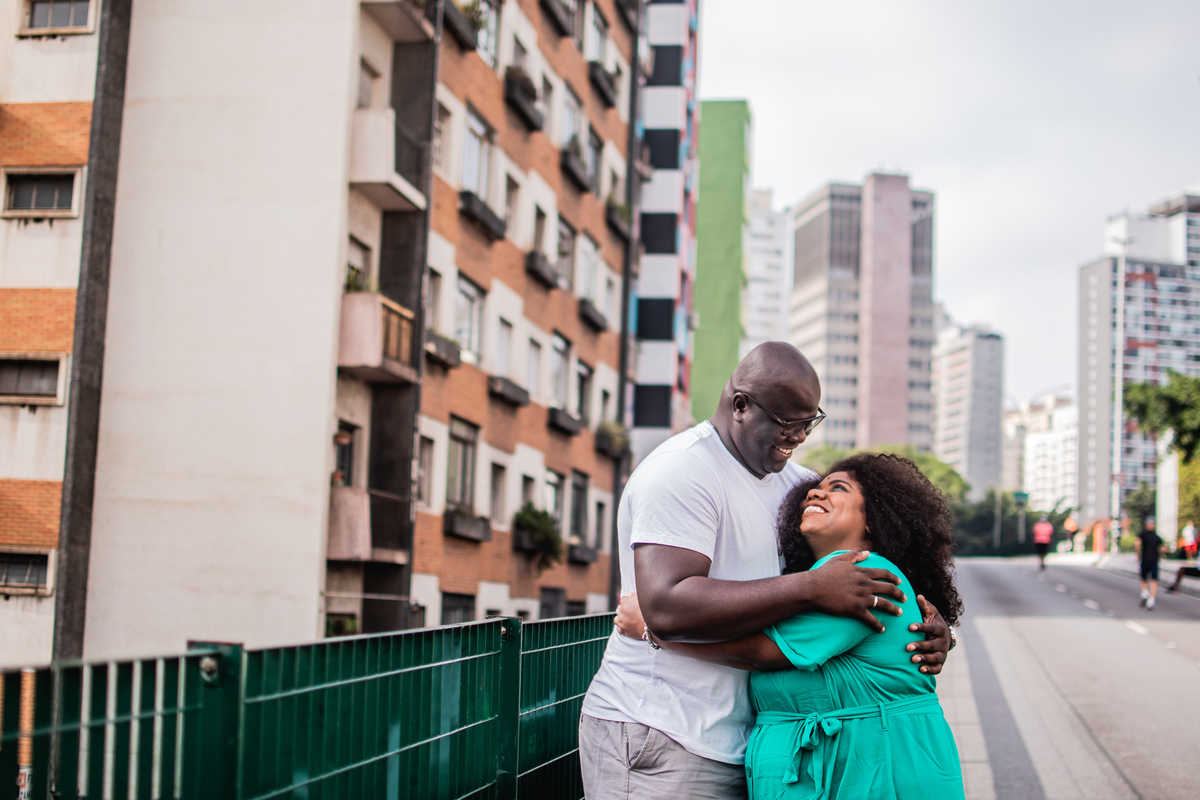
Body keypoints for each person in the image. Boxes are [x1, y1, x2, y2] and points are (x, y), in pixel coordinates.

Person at [578, 342, 953, 799]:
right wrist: (811, 586)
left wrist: (930, 632)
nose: (799, 437)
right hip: (664, 730)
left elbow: (877, 561)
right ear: (741, 405)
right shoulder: (682, 471)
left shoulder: (799, 486)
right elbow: (667, 608)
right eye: (787, 422)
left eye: (809, 422)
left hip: (750, 742)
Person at [615, 454, 966, 799]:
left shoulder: (863, 575)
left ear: (873, 520)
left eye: (838, 488)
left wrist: (652, 628)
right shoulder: (820, 582)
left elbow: (758, 652)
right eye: (815, 488)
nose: (815, 493)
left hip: (876, 771)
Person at [1135, 516, 1163, 610]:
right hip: (1154, 560)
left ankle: (1145, 593)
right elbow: (1163, 548)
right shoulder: (1157, 537)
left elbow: (1137, 544)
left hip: (1145, 559)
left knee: (1143, 578)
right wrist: (1161, 554)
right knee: (1154, 580)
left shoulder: (1143, 535)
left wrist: (1138, 554)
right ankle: (1151, 600)